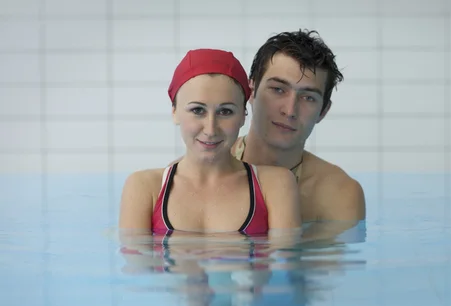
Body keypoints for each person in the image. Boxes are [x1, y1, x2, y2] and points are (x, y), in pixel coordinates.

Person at [169, 30, 366, 226]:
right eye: (278, 90)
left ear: (323, 111)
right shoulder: (183, 176)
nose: (290, 110)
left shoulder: (339, 194)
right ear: (251, 92)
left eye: (308, 98)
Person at [118, 48, 302, 239]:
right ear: (174, 112)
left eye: (226, 112)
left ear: (243, 116)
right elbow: (137, 266)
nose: (211, 129)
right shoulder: (145, 187)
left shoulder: (275, 185)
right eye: (198, 110)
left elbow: (285, 264)